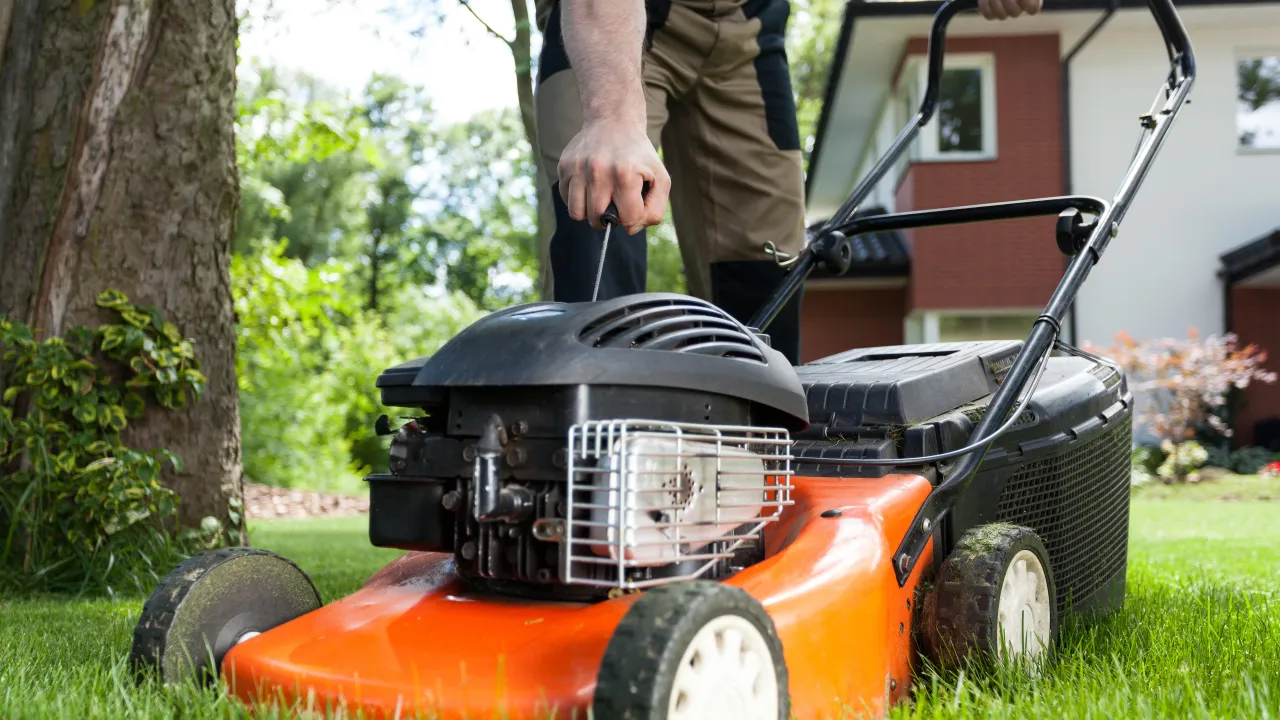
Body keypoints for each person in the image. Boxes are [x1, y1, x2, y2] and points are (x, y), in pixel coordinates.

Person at [534, 0, 1043, 365]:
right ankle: (586, 479)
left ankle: (761, 488)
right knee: (600, 226)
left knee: (765, 285)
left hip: (749, 28)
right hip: (616, 22)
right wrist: (612, 117)